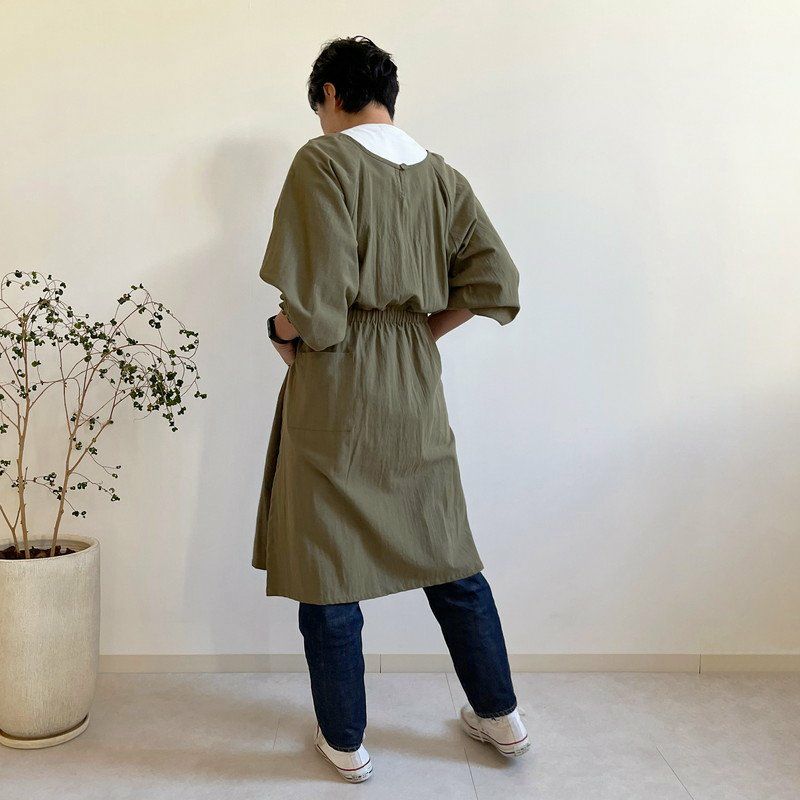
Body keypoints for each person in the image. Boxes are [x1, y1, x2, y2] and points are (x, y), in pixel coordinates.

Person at [252, 35, 529, 782]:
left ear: (330, 94)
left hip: (338, 384)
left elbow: (318, 307)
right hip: (413, 380)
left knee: (327, 561)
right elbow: (494, 279)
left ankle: (346, 742)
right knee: (446, 549)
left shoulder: (324, 161)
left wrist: (280, 328)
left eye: (318, 106)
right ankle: (501, 717)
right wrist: (417, 332)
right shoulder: (441, 176)